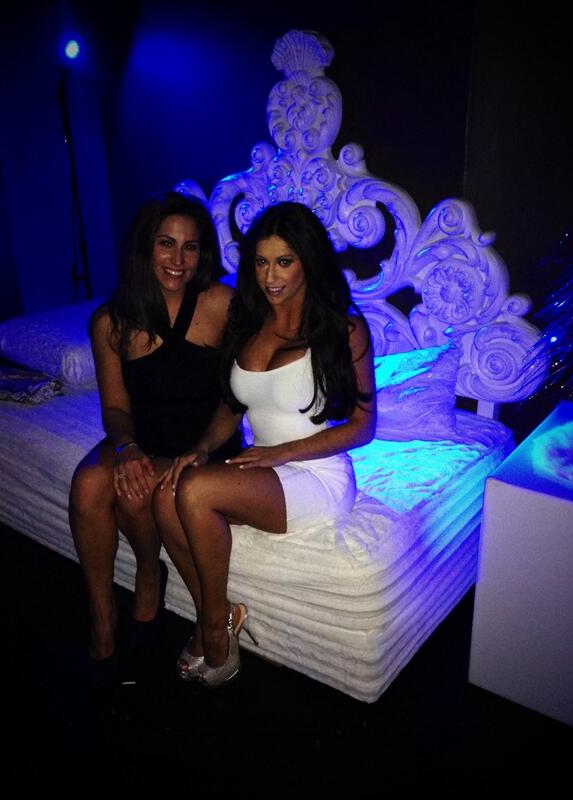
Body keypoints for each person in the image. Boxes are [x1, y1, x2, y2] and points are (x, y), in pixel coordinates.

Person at [153, 201, 376, 688]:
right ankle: (218, 612)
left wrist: (280, 454)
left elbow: (363, 427)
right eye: (260, 262)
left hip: (318, 472)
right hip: (266, 467)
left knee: (194, 491)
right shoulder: (247, 323)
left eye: (284, 262)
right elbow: (231, 406)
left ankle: (213, 627)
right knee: (168, 492)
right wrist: (203, 448)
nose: (270, 276)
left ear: (307, 262)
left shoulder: (343, 329)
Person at [69, 192, 241, 681]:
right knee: (89, 483)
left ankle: (148, 575)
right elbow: (116, 407)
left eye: (191, 246)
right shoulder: (111, 322)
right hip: (143, 439)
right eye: (166, 243)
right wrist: (126, 447)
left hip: (203, 446)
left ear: (203, 252)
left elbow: (235, 399)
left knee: (136, 491)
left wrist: (202, 448)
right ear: (144, 247)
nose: (178, 259)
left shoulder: (222, 304)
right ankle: (103, 616)